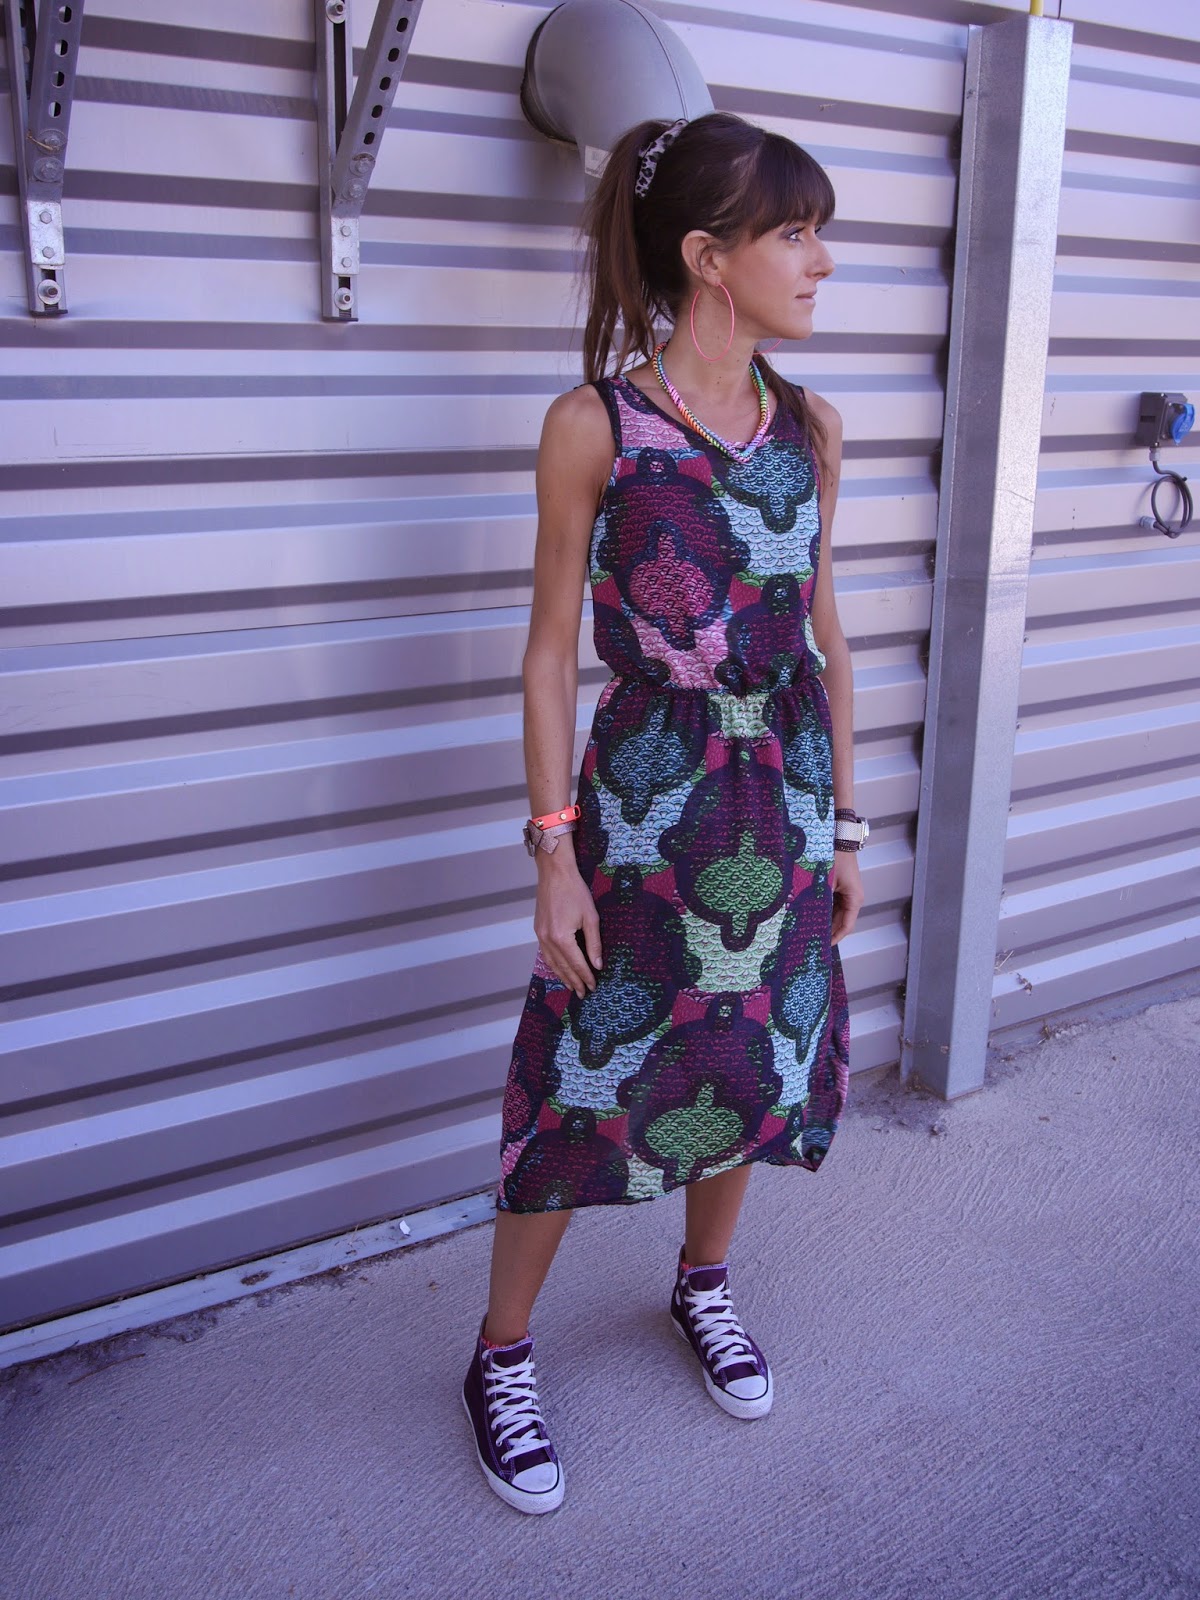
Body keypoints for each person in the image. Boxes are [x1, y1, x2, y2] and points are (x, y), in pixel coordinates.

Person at [461, 110, 866, 1515]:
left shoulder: (813, 430)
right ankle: (500, 1353)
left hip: (783, 797)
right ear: (707, 257)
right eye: (795, 234)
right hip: (642, 802)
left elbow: (827, 640)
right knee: (584, 1072)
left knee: (748, 1054)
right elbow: (546, 651)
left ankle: (703, 1283)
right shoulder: (597, 427)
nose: (821, 262)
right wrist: (552, 855)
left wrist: (846, 827)